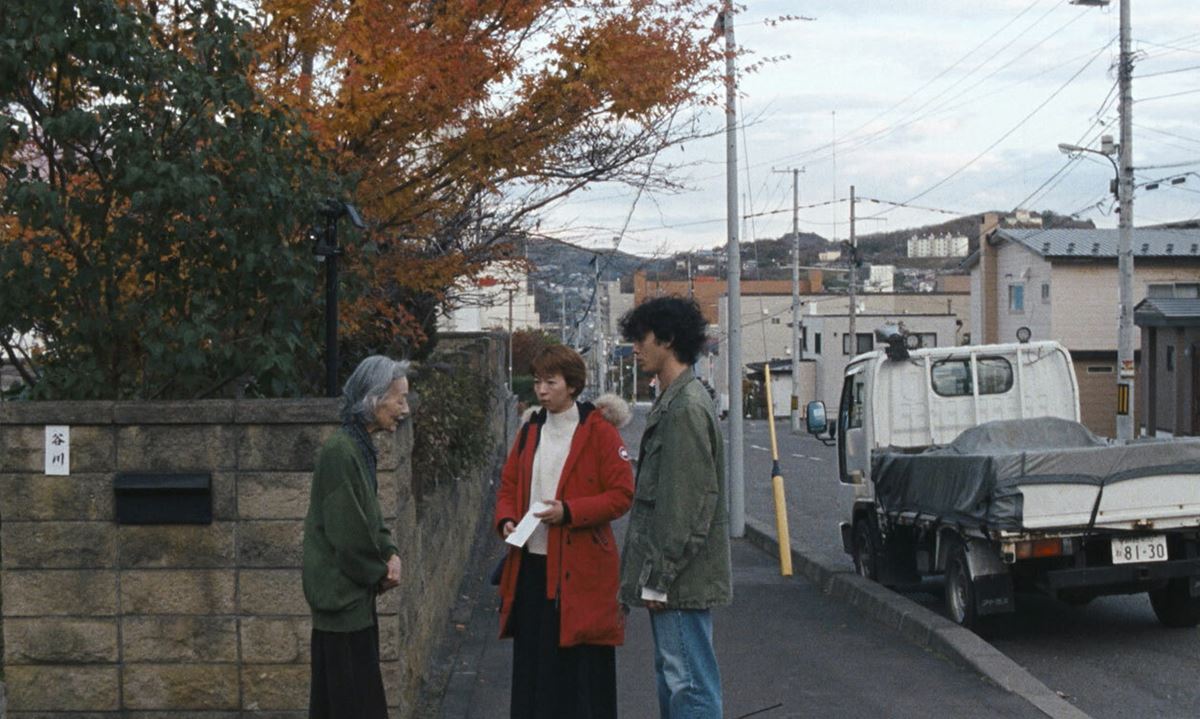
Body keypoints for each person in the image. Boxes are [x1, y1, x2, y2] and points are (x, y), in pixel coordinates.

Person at [494, 345, 635, 719]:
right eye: (537, 381)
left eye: (550, 382)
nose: (541, 390)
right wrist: (506, 519)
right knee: (534, 666)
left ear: (572, 385)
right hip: (531, 565)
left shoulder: (600, 432)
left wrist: (569, 511)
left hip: (581, 569)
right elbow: (509, 485)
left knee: (581, 670)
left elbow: (622, 494)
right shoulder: (530, 430)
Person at [617, 297, 732, 719]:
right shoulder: (677, 400)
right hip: (675, 579)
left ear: (667, 339)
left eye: (641, 338)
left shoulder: (684, 408)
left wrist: (658, 579)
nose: (635, 348)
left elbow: (687, 507)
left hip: (677, 581)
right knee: (678, 678)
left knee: (688, 685)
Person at [303, 355, 409, 719]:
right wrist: (381, 573)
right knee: (351, 705)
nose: (405, 409)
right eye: (399, 399)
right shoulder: (341, 451)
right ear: (373, 398)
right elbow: (347, 534)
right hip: (341, 603)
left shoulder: (359, 447)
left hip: (350, 601)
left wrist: (391, 552)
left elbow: (370, 516)